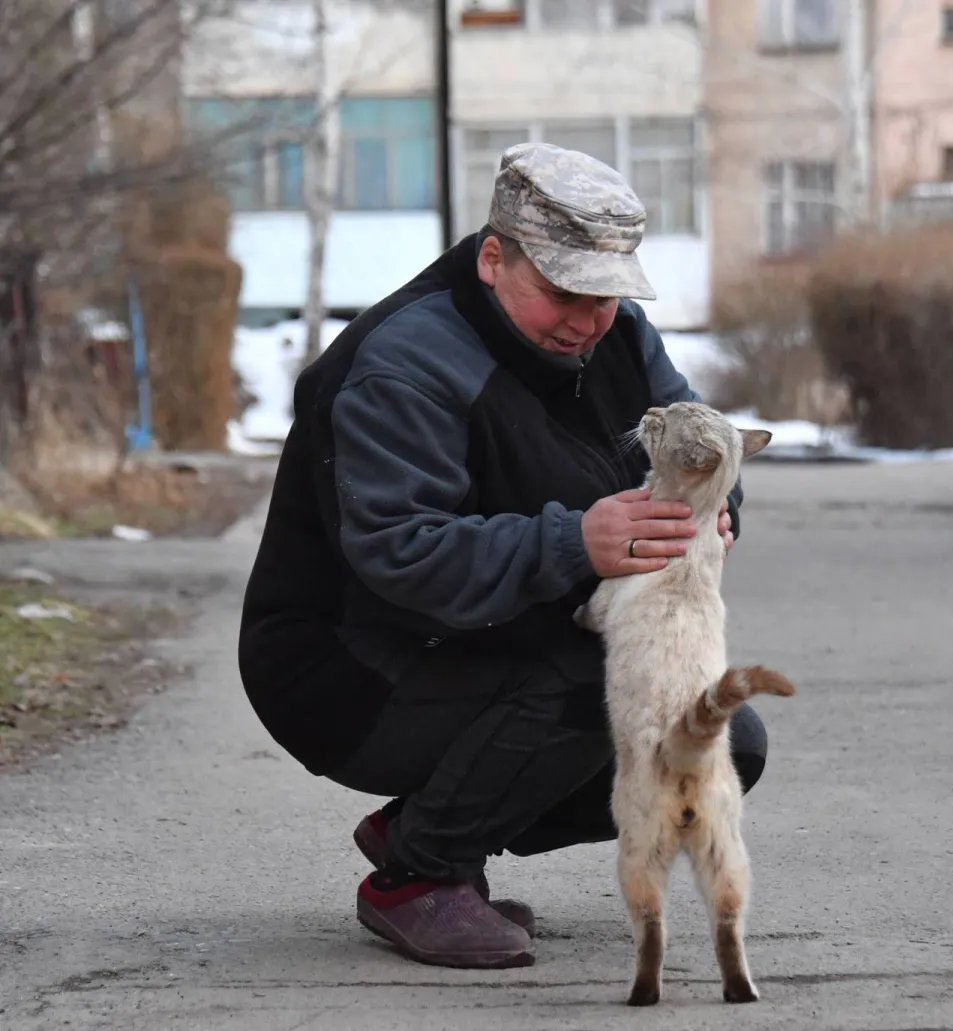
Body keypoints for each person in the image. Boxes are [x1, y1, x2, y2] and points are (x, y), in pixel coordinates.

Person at [237, 142, 768, 969]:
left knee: (718, 738)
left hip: (482, 638)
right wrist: (576, 540)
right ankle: (417, 874)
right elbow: (399, 553)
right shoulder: (403, 366)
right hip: (342, 666)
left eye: (608, 296)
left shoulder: (612, 333)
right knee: (591, 688)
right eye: (564, 293)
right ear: (493, 259)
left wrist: (713, 508)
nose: (589, 321)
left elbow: (699, 441)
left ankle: (429, 822)